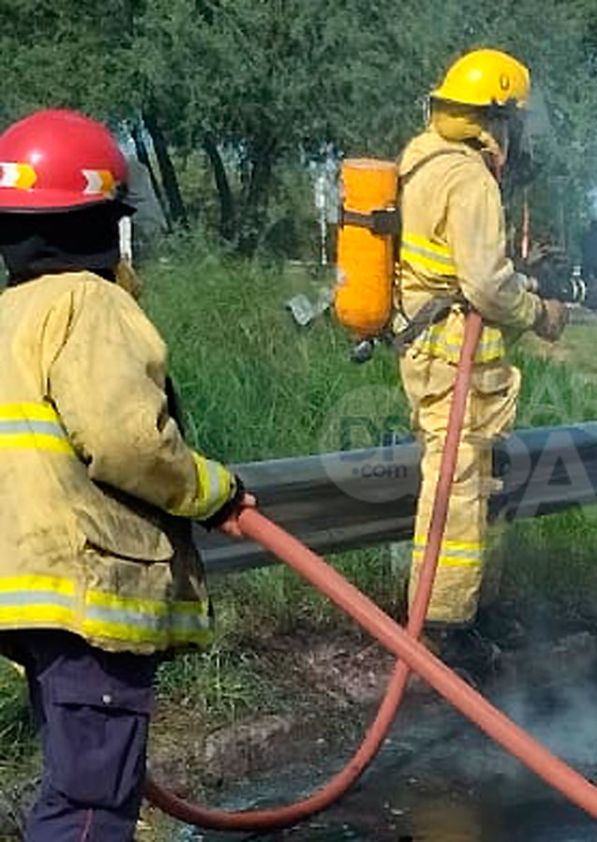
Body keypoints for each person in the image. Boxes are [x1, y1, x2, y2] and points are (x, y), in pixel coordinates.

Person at [0, 109, 250, 840]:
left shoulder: (11, 315)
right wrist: (212, 491)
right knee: (91, 803)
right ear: (104, 219)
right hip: (91, 590)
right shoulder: (89, 304)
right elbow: (128, 441)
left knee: (78, 782)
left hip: (33, 597)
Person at [394, 48, 568, 666]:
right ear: (493, 119)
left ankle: (472, 609)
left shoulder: (420, 156)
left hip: (433, 352)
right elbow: (487, 286)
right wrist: (539, 312)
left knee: (473, 483)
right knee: (457, 491)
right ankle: (444, 628)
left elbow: (454, 263)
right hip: (452, 360)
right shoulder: (469, 178)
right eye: (511, 122)